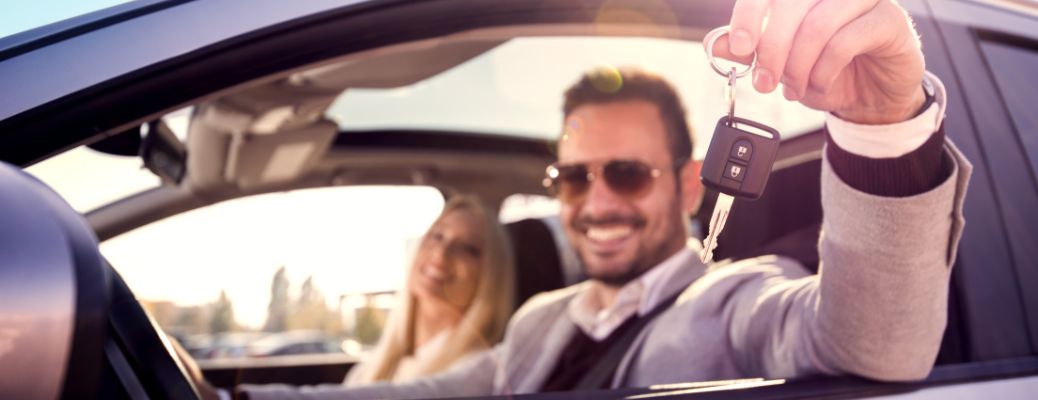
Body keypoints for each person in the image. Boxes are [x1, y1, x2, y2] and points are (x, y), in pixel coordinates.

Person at [228, 0, 972, 398]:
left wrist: (881, 124)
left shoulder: (733, 304)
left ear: (688, 182)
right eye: (574, 178)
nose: (597, 201)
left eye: (628, 173)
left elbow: (873, 349)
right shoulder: (540, 321)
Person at [344, 194, 515, 384]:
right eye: (437, 235)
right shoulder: (368, 370)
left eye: (467, 248)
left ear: (491, 276)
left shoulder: (476, 371)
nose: (442, 252)